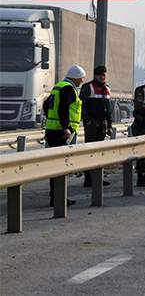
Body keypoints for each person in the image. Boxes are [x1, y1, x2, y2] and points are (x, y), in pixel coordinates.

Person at [44, 65, 86, 207]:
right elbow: (63, 109)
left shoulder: (59, 86)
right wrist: (66, 128)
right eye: (81, 79)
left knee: (55, 165)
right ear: (77, 78)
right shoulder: (69, 88)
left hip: (51, 129)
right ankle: (58, 198)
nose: (81, 82)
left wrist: (51, 119)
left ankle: (54, 196)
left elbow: (46, 105)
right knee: (61, 165)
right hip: (60, 131)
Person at [80, 65, 113, 187]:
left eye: (104, 75)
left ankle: (98, 178)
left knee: (100, 152)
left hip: (102, 124)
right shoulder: (88, 87)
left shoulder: (107, 88)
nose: (102, 77)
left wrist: (109, 125)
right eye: (100, 75)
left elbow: (109, 109)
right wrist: (87, 121)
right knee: (90, 152)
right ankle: (89, 179)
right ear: (95, 75)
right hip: (92, 125)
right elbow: (81, 106)